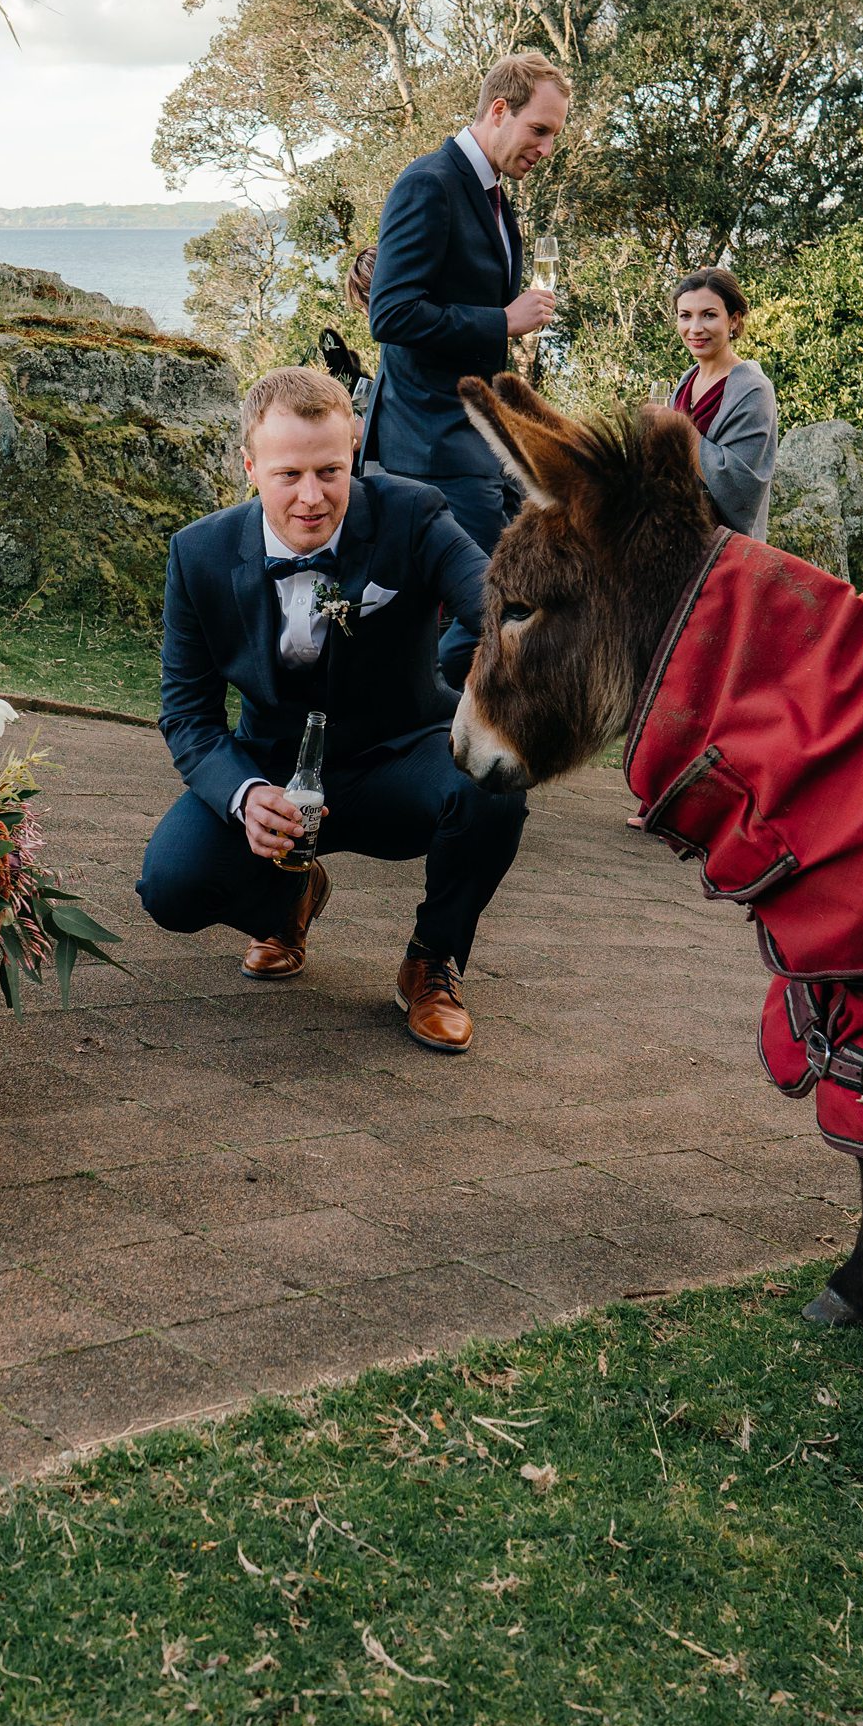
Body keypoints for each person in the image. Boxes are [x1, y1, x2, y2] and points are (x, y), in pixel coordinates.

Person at [136, 367, 528, 1054]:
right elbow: (188, 716)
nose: (312, 497)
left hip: (398, 758)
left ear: (353, 452)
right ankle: (289, 898)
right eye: (288, 475)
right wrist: (244, 794)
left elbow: (496, 604)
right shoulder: (196, 554)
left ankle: (432, 960)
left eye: (331, 470)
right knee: (170, 884)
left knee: (494, 782)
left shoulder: (413, 514)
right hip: (273, 769)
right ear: (251, 466)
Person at [365, 51, 571, 683]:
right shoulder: (430, 183)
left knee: (518, 588)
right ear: (499, 110)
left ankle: (417, 711)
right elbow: (391, 314)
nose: (546, 147)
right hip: (429, 445)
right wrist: (502, 321)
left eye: (555, 137)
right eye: (540, 130)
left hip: (478, 442)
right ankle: (430, 712)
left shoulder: (495, 198)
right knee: (500, 600)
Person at [667, 267, 778, 537]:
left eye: (709, 315)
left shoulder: (752, 389)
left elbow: (742, 490)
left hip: (723, 551)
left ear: (734, 320)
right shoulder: (686, 382)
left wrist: (679, 430)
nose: (695, 328)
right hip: (673, 538)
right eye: (685, 316)